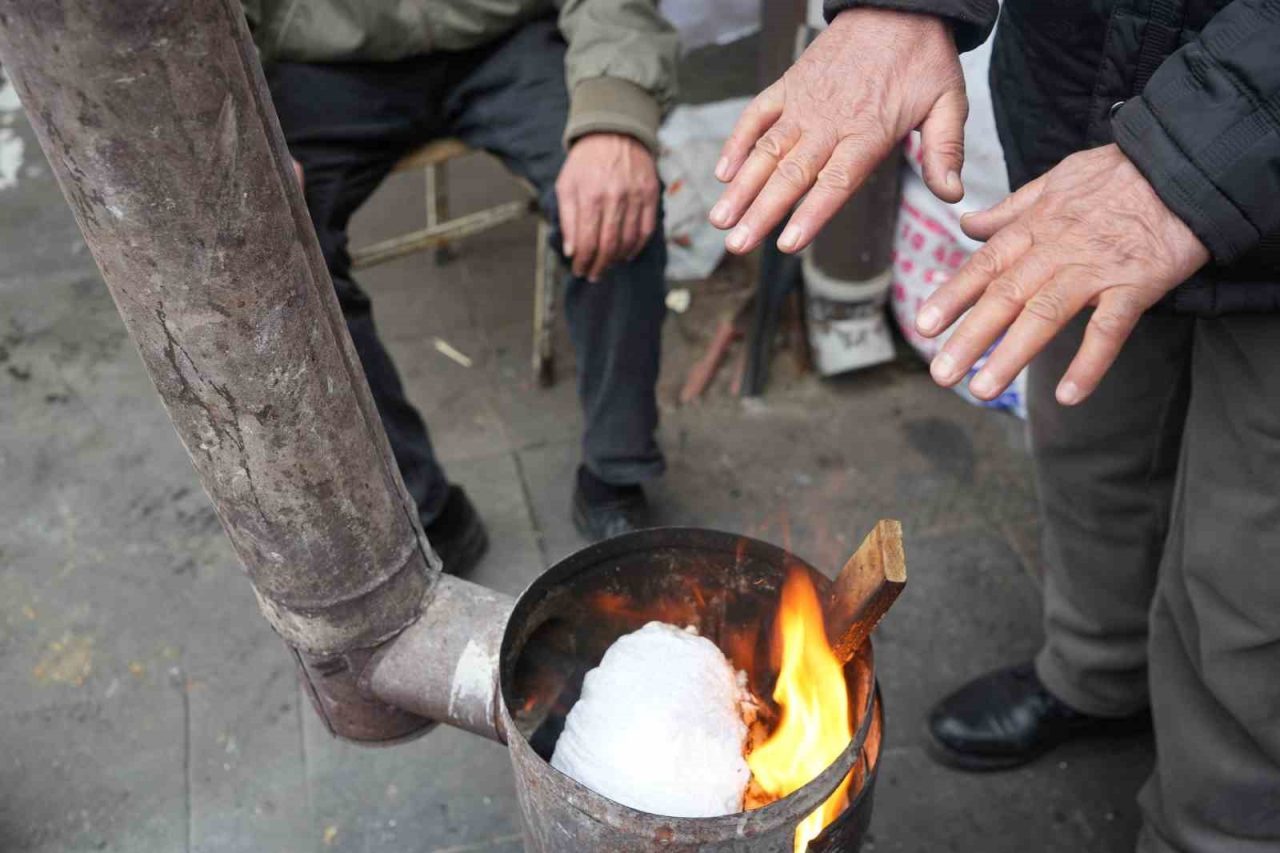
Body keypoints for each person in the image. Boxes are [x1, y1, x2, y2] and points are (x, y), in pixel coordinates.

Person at [711, 1, 1280, 850]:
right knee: (1090, 434)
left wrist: (1201, 147)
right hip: (1087, 92)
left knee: (1252, 564)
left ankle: (1214, 827)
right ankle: (1098, 672)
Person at [240, 0, 678, 572]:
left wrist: (616, 114)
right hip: (325, 63)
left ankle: (616, 472)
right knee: (268, 254)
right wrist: (234, 125)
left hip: (504, 41)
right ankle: (418, 504)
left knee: (618, 212)